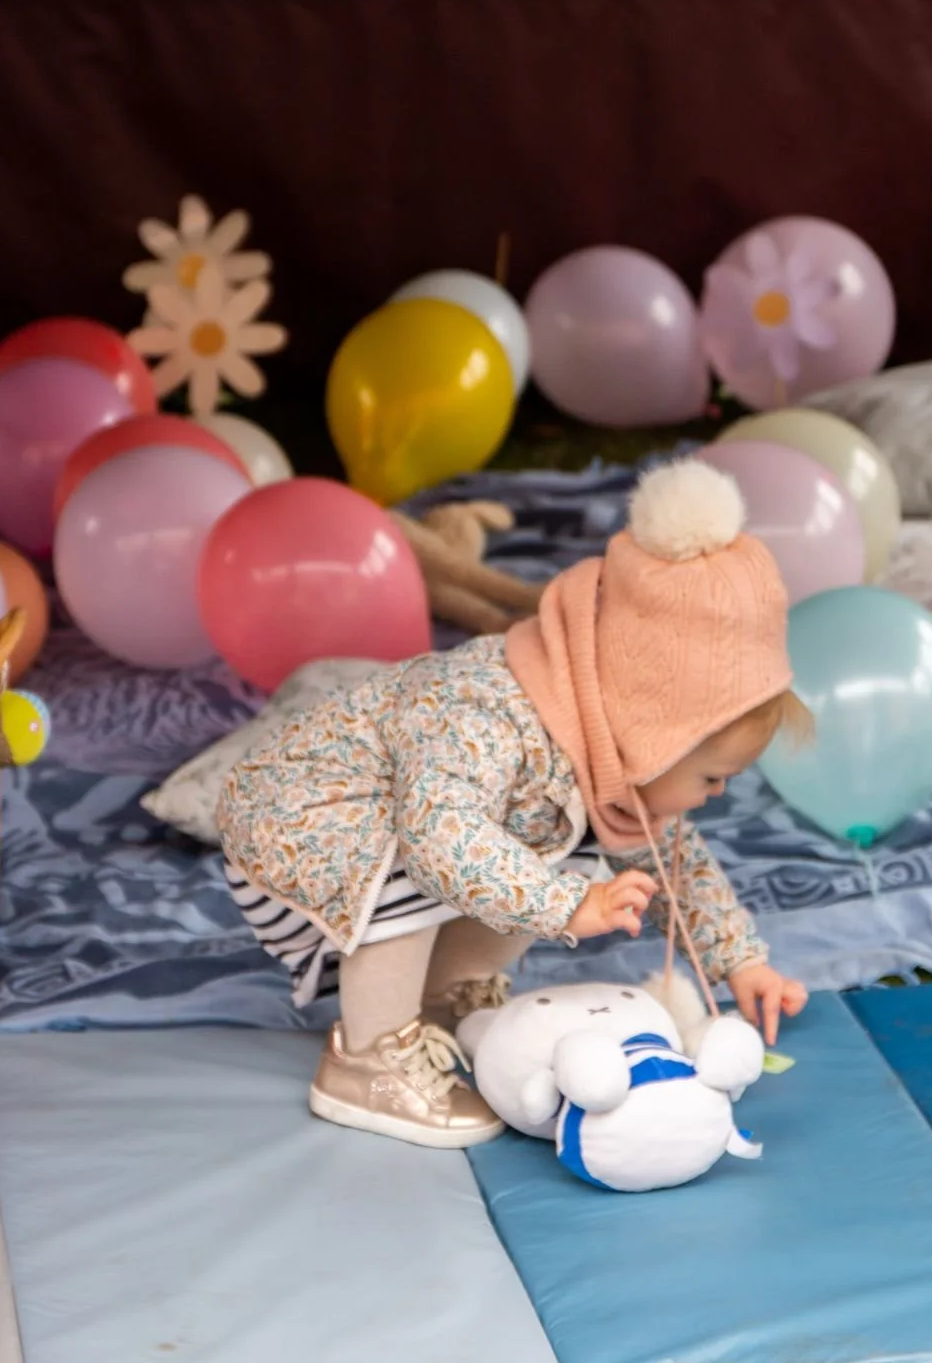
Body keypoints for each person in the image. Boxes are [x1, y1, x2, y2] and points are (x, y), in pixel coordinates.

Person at [217, 458, 811, 1150]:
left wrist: (741, 961)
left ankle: (445, 1000)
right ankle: (367, 1062)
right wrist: (567, 908)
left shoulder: (601, 746)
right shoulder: (489, 713)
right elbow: (440, 839)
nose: (720, 794)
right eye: (712, 777)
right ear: (653, 735)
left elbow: (671, 859)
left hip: (404, 830)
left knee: (576, 854)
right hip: (297, 816)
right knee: (449, 860)